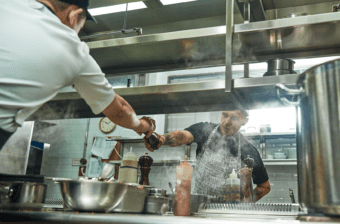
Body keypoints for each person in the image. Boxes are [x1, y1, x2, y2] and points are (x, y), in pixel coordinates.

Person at [0, 0, 155, 151]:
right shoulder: (73, 49)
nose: (77, 33)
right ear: (74, 14)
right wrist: (143, 125)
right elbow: (119, 110)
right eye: (80, 27)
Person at [143, 110, 271, 202]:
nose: (226, 122)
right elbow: (182, 136)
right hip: (199, 209)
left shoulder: (249, 150)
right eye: (224, 115)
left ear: (244, 121)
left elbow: (264, 187)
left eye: (234, 118)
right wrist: (163, 139)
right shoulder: (205, 130)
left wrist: (246, 203)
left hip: (230, 214)